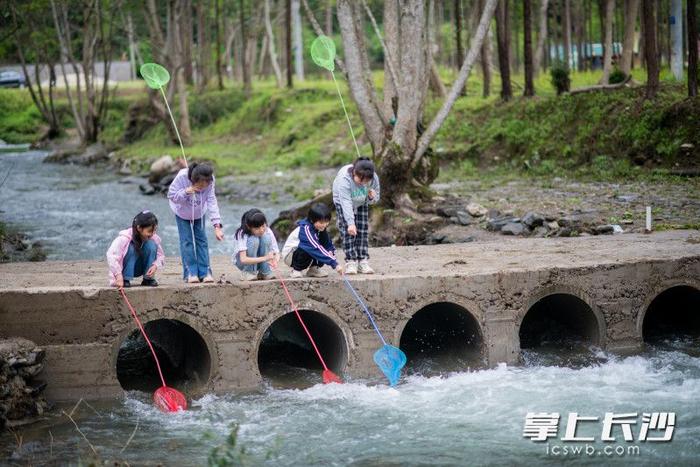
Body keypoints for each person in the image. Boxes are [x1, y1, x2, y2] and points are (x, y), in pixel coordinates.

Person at [167, 162, 224, 283]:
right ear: (193, 179)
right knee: (187, 242)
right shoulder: (182, 176)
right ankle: (190, 273)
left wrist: (217, 226)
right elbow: (171, 195)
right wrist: (186, 191)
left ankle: (205, 272)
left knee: (202, 240)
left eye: (206, 184)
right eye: (200, 185)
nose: (203, 187)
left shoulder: (210, 180)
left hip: (199, 212)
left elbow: (212, 201)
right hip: (182, 212)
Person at [331, 157, 380, 274]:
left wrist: (371, 197)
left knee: (362, 231)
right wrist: (351, 224)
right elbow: (346, 203)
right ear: (354, 172)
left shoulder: (373, 178)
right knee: (348, 232)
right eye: (360, 179)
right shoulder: (344, 179)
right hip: (343, 202)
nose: (363, 183)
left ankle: (363, 261)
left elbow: (376, 197)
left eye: (366, 181)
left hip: (361, 202)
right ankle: (351, 262)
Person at [281, 203, 343, 278]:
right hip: (291, 255)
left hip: (306, 251)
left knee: (322, 247)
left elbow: (327, 244)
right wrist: (334, 264)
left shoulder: (320, 228)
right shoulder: (305, 229)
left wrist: (331, 253)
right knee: (311, 247)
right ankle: (296, 270)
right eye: (321, 222)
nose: (324, 225)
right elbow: (315, 248)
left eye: (326, 221)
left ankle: (314, 269)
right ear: (312, 220)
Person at [107, 211, 165, 287]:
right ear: (139, 228)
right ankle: (125, 279)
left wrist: (155, 266)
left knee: (151, 245)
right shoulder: (124, 238)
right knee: (131, 247)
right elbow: (111, 256)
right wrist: (118, 275)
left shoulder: (153, 238)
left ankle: (148, 279)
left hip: (140, 267)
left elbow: (161, 255)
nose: (153, 234)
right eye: (150, 231)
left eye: (155, 230)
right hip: (125, 269)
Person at [233, 209, 280, 281]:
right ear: (249, 227)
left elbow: (276, 251)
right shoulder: (242, 233)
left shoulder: (267, 230)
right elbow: (243, 259)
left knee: (265, 237)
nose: (261, 230)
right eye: (257, 228)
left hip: (260, 261)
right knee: (254, 240)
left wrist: (275, 261)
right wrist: (265, 258)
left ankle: (264, 272)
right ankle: (249, 272)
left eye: (263, 226)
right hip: (243, 263)